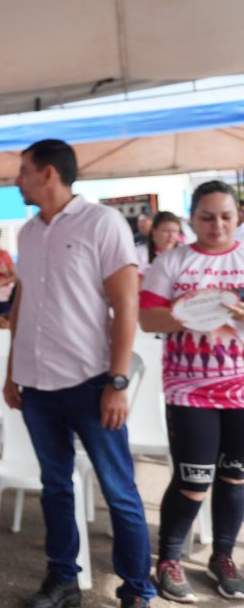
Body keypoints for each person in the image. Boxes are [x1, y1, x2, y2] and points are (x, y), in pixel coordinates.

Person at [2, 139, 153, 608]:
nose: (17, 180)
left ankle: (137, 590)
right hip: (37, 384)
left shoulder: (102, 222)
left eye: (23, 171)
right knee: (55, 486)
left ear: (47, 173)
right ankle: (63, 580)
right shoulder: (28, 233)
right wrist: (11, 371)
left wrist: (117, 381)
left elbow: (126, 304)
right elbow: (22, 303)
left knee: (119, 491)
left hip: (91, 383)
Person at [140, 181, 244, 602]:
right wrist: (190, 314)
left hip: (241, 390)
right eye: (207, 216)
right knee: (193, 481)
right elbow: (147, 319)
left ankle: (223, 556)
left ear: (237, 217)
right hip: (189, 390)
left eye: (226, 216)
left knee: (235, 476)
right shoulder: (172, 262)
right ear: (192, 218)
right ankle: (168, 559)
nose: (217, 225)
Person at [136, 211, 181, 280]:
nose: (171, 235)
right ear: (154, 231)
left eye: (175, 231)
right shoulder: (140, 253)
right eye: (166, 231)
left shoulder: (184, 253)